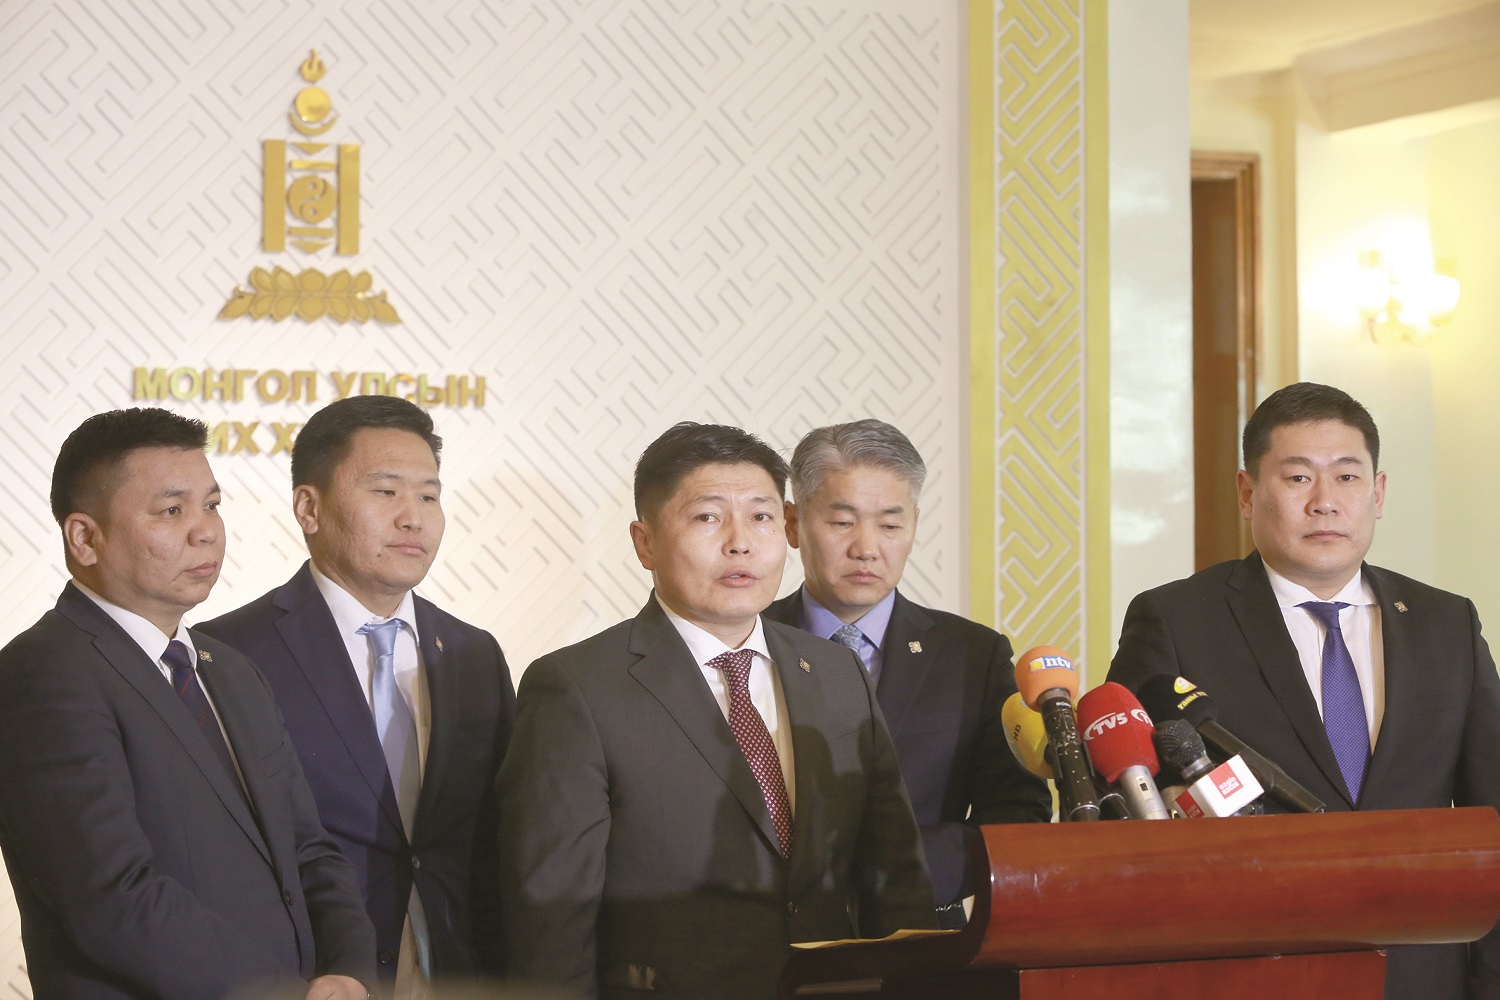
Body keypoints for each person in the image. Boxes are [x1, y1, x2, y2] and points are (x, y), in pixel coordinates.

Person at [498, 421, 935, 1000]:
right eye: (707, 517)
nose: (741, 543)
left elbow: (895, 878)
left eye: (761, 517)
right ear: (645, 542)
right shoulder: (577, 688)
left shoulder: (836, 673)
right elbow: (551, 916)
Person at [1107, 381, 1500, 999]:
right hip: (1247, 971)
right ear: (1247, 493)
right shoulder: (1177, 620)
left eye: (1347, 477)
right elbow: (1128, 812)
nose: (1325, 502)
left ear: (1378, 493)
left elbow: (1490, 813)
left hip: (1422, 975)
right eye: (1297, 478)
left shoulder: (1445, 622)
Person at [0, 407, 375, 999]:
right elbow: (110, 897)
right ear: (85, 537)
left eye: (212, 505)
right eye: (172, 511)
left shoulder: (232, 671)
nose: (206, 532)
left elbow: (309, 849)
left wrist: (349, 973)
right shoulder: (44, 672)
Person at [200, 396, 515, 996]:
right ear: (309, 507)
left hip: (459, 971)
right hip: (309, 976)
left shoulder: (473, 654)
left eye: (429, 496)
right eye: (385, 491)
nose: (413, 518)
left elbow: (499, 837)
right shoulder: (228, 654)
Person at [764, 419, 1052, 927]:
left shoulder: (972, 655)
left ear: (915, 526)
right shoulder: (745, 644)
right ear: (792, 523)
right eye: (842, 522)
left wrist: (900, 877)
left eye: (890, 525)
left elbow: (1017, 810)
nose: (867, 548)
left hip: (924, 939)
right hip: (769, 940)